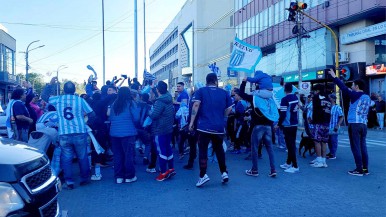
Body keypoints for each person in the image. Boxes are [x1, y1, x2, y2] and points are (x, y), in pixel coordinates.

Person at [42, 77, 96, 189]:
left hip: (64, 133)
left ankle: (69, 181)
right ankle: (85, 178)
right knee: (82, 156)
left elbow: (44, 97)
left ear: (64, 90)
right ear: (74, 89)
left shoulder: (58, 99)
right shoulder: (80, 100)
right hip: (80, 131)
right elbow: (92, 114)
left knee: (66, 158)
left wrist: (50, 84)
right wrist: (85, 121)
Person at [189, 73, 232, 187]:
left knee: (202, 150)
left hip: (204, 126)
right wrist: (223, 117)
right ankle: (224, 173)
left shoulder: (201, 91)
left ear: (206, 81)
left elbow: (196, 105)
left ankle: (203, 176)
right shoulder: (224, 93)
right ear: (216, 81)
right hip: (219, 127)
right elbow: (229, 108)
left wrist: (191, 122)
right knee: (219, 150)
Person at [328, 69, 371, 176]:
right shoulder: (367, 97)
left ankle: (359, 169)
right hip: (363, 124)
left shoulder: (355, 95)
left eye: (352, 85)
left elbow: (343, 87)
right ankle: (365, 169)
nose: (351, 86)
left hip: (355, 124)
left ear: (357, 86)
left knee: (355, 147)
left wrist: (334, 77)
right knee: (363, 147)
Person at [239, 77, 278, 178]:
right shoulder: (270, 98)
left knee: (255, 148)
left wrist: (244, 82)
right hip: (268, 126)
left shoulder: (255, 97)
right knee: (270, 148)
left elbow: (241, 94)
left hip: (258, 126)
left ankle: (254, 170)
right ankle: (273, 170)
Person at [107, 87, 139, 184]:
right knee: (128, 154)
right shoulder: (131, 103)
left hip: (114, 133)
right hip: (128, 132)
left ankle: (119, 177)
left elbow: (111, 117)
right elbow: (136, 118)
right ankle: (129, 176)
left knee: (117, 155)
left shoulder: (114, 104)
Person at [149, 81, 176, 181]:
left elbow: (154, 115)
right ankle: (171, 168)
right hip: (168, 127)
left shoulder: (159, 101)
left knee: (161, 150)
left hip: (159, 129)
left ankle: (163, 172)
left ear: (158, 90)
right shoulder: (168, 98)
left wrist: (149, 112)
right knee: (168, 148)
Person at [278, 83, 300, 173]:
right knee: (291, 144)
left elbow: (283, 114)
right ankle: (288, 162)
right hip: (294, 124)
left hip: (287, 124)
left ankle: (295, 166)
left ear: (284, 90)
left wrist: (278, 124)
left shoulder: (284, 99)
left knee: (290, 146)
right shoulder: (295, 98)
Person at [309, 84, 331, 168]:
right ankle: (323, 160)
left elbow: (315, 111)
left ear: (317, 90)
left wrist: (313, 121)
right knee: (324, 142)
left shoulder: (316, 97)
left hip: (318, 122)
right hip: (327, 122)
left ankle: (319, 160)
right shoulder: (328, 99)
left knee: (317, 141)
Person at [327, 94, 344, 160]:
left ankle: (333, 154)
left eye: (330, 98)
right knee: (328, 140)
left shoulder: (338, 107)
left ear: (334, 99)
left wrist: (337, 125)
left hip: (334, 126)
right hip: (328, 126)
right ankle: (331, 152)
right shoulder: (328, 107)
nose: (329, 99)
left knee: (333, 140)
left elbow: (341, 116)